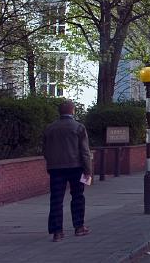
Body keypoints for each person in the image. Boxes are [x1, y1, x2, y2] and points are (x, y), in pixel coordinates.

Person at [42, 100, 92, 242]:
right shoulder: (78, 127)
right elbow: (84, 151)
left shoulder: (50, 128)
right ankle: (79, 227)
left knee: (56, 199)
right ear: (73, 111)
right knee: (77, 196)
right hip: (75, 167)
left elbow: (45, 150)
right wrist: (88, 170)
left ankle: (57, 232)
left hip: (55, 168)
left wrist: (52, 162)